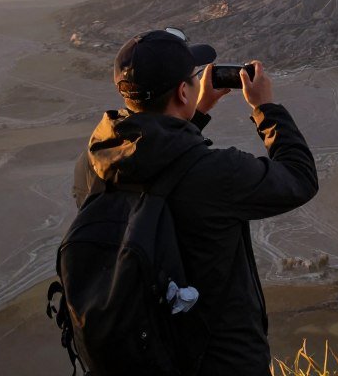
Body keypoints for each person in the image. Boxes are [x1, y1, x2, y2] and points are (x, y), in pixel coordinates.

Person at [72, 28, 319, 375]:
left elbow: (156, 165)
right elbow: (299, 178)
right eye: (192, 78)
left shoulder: (94, 164)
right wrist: (266, 107)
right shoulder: (216, 173)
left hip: (142, 357)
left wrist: (195, 113)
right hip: (221, 361)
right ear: (181, 91)